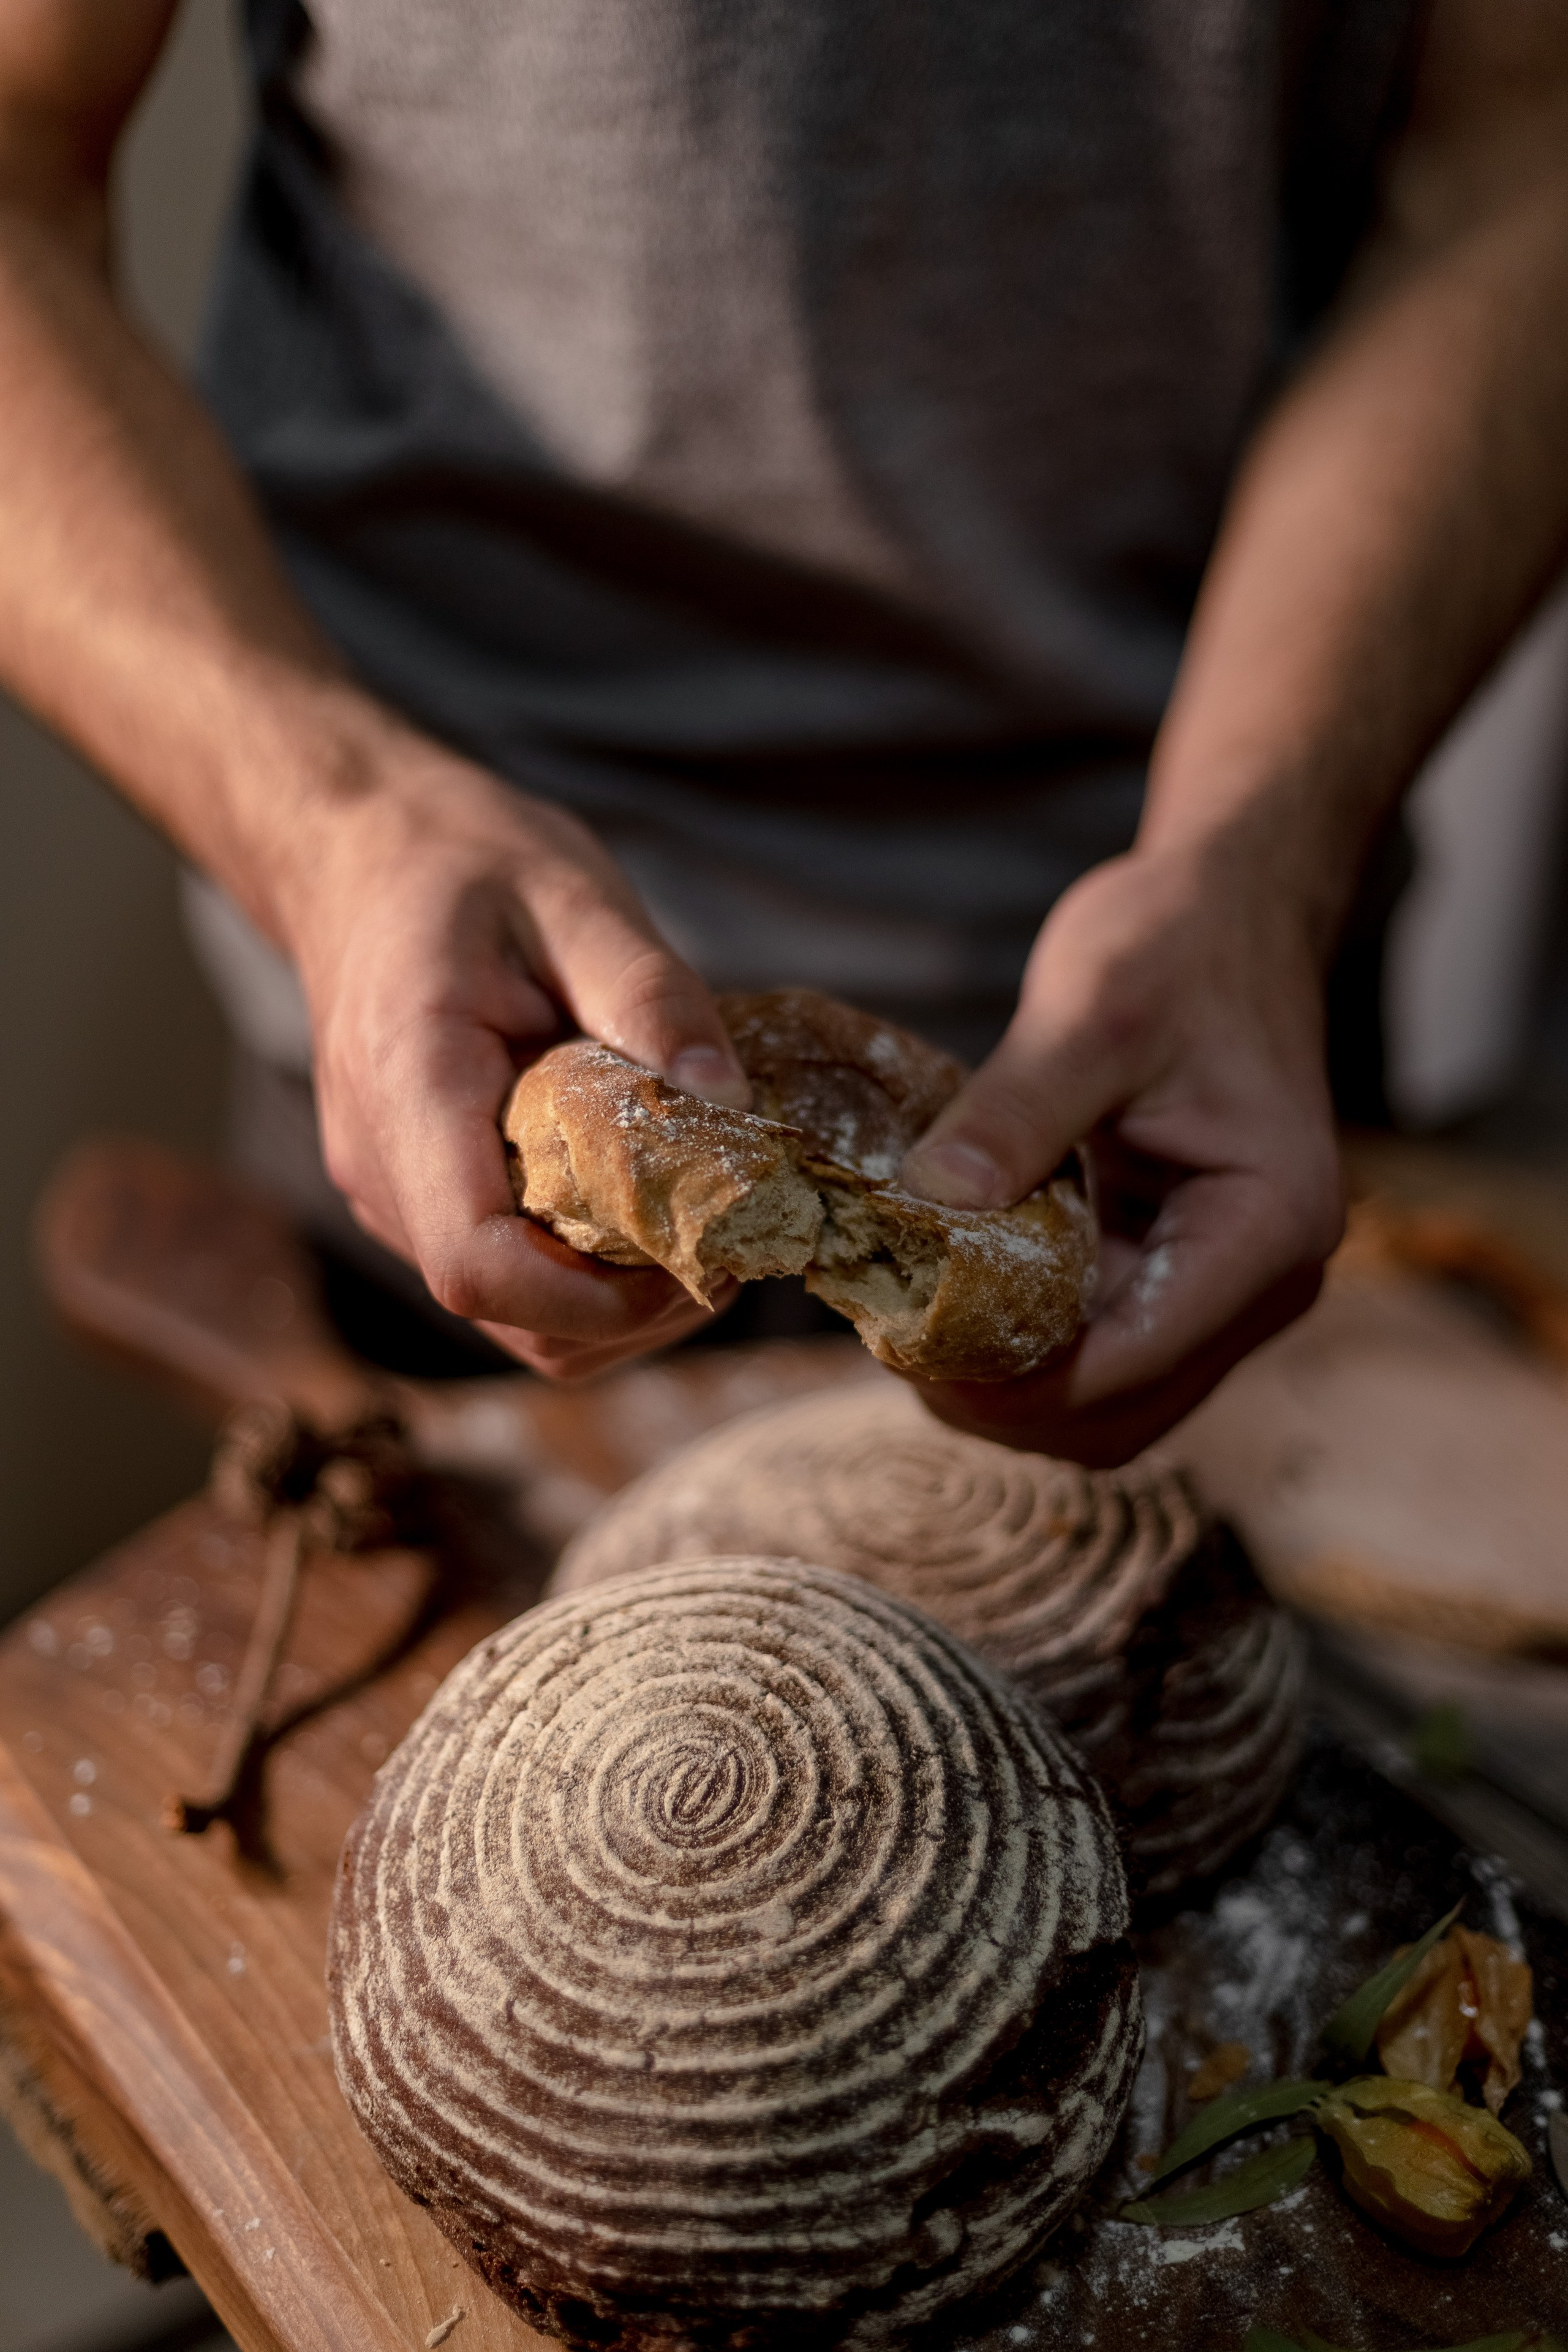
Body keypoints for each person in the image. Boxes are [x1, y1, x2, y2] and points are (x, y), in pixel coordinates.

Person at [2, 1, 1566, 1466]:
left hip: (1194, 1060)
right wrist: (326, 818)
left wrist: (1260, 852)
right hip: (440, 1020)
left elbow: (1519, 150)